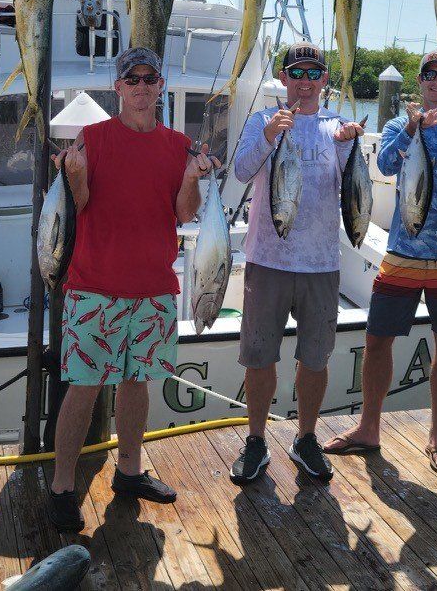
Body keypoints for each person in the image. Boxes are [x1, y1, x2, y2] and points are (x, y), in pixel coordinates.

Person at [45, 47, 218, 531]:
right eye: (132, 79)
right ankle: (61, 485)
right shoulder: (93, 138)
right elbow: (77, 205)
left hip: (154, 289)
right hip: (94, 288)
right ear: (118, 87)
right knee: (83, 387)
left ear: (161, 85)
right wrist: (73, 174)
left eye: (150, 78)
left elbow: (185, 213)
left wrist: (192, 177)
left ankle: (129, 471)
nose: (142, 86)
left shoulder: (179, 145)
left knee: (137, 383)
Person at [323, 49, 437, 473]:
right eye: (429, 74)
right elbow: (383, 164)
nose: (436, 81)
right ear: (420, 81)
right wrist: (413, 128)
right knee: (378, 339)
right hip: (403, 253)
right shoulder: (401, 125)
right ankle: (369, 427)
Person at [230, 43, 364, 484]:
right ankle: (256, 440)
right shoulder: (260, 121)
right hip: (268, 260)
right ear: (283, 78)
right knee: (259, 356)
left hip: (321, 264)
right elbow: (241, 172)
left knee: (315, 358)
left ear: (324, 79)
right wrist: (269, 136)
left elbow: (352, 185)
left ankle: (306, 438)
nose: (304, 82)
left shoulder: (337, 127)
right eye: (296, 73)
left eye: (313, 73)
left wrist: (348, 144)